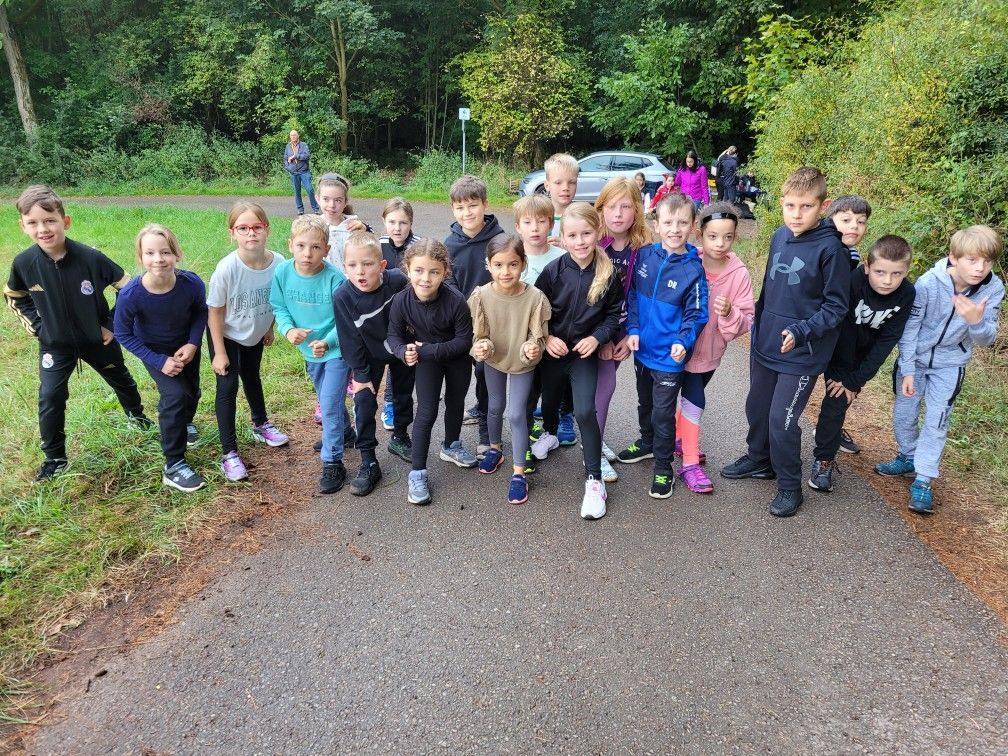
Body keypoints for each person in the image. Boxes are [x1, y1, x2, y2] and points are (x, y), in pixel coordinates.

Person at [720, 167, 850, 518]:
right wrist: (758, 327)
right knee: (757, 408)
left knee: (783, 419)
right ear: (781, 203)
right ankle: (760, 459)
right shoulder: (779, 235)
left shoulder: (831, 250)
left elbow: (836, 308)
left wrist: (802, 331)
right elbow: (770, 290)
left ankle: (790, 485)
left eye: (806, 206)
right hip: (766, 344)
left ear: (823, 207)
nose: (796, 214)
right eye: (790, 205)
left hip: (802, 352)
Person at [5, 185, 150, 482]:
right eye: (33, 223)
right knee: (50, 396)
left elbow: (129, 288)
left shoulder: (90, 258)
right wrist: (39, 328)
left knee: (121, 378)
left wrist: (111, 324)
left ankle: (137, 416)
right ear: (23, 226)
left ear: (65, 221)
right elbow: (14, 295)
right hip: (55, 345)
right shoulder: (24, 263)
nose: (43, 229)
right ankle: (55, 457)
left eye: (50, 220)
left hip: (97, 340)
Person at [876, 225, 1004, 514]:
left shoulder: (993, 289)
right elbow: (910, 328)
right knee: (904, 415)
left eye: (987, 261)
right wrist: (908, 369)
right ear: (954, 258)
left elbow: (986, 339)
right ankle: (908, 456)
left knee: (937, 420)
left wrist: (975, 321)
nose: (980, 268)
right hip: (916, 362)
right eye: (972, 260)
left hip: (951, 364)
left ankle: (923, 478)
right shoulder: (928, 283)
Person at [530, 203, 622, 520]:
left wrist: (597, 338)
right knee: (550, 399)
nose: (580, 241)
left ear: (598, 232)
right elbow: (535, 309)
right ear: (563, 237)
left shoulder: (608, 274)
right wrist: (546, 337)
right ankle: (550, 433)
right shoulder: (553, 270)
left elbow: (613, 315)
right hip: (554, 351)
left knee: (584, 410)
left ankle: (594, 481)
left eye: (586, 233)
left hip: (583, 354)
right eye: (572, 235)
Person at [808, 235, 914, 494]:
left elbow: (887, 341)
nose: (887, 280)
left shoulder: (907, 294)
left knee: (838, 401)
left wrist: (855, 380)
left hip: (863, 357)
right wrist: (842, 375)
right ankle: (823, 442)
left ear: (906, 271)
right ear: (867, 267)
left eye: (896, 274)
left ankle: (824, 455)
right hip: (833, 347)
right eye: (880, 272)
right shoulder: (853, 281)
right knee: (832, 395)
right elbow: (843, 328)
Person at [621, 193, 709, 499]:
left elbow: (697, 314)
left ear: (693, 226)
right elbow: (632, 295)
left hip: (670, 358)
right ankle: (647, 442)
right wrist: (633, 329)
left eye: (682, 222)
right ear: (656, 225)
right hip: (642, 350)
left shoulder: (693, 270)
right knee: (645, 403)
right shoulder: (644, 255)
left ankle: (663, 467)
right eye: (668, 222)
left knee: (662, 413)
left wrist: (683, 341)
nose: (675, 229)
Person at [114, 224, 208, 492]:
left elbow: (201, 312)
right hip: (154, 351)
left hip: (185, 346)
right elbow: (122, 333)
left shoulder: (191, 283)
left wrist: (193, 343)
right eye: (150, 253)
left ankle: (186, 423)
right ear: (140, 257)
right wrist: (159, 361)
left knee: (192, 391)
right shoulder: (132, 294)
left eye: (165, 252)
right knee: (174, 396)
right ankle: (174, 464)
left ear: (177, 254)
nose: (158, 259)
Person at [388, 239, 477, 506]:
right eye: (419, 270)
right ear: (407, 269)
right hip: (427, 361)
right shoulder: (401, 301)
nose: (425, 279)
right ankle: (417, 472)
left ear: (445, 272)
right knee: (426, 411)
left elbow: (464, 340)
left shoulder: (456, 300)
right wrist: (402, 351)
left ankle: (451, 445)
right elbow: (393, 335)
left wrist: (427, 350)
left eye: (434, 272)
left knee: (455, 402)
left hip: (455, 359)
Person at [674, 201, 754, 495]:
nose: (720, 243)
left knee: (690, 397)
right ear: (700, 234)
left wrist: (730, 313)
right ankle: (690, 464)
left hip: (710, 352)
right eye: (713, 236)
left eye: (728, 237)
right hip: (680, 348)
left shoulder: (739, 274)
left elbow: (746, 320)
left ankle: (680, 439)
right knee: (694, 399)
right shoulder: (686, 261)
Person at [206, 202, 288, 483]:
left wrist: (270, 328)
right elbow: (214, 312)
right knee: (228, 386)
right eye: (243, 228)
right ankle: (229, 453)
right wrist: (219, 352)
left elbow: (276, 299)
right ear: (233, 233)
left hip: (255, 331)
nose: (251, 233)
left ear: (267, 229)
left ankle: (260, 423)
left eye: (257, 227)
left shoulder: (278, 263)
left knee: (252, 376)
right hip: (226, 335)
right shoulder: (227, 269)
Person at [269, 215, 349, 494]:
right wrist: (288, 330)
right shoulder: (282, 273)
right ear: (290, 245)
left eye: (315, 247)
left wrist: (327, 341)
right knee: (327, 397)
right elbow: (279, 306)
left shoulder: (335, 280)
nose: (307, 253)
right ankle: (344, 431)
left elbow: (345, 320)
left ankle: (333, 461)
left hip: (337, 350)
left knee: (329, 404)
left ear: (326, 249)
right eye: (301, 246)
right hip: (309, 352)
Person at [333, 230, 416, 496]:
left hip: (400, 348)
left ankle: (400, 436)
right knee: (364, 402)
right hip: (368, 355)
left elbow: (413, 308)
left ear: (382, 265)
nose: (360, 271)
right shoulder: (343, 296)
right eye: (352, 265)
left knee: (403, 394)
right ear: (344, 267)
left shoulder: (397, 280)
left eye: (368, 264)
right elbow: (348, 338)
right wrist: (360, 373)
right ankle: (368, 459)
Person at [469, 235, 550, 505]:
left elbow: (538, 336)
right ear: (489, 265)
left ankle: (518, 473)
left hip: (522, 362)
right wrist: (482, 345)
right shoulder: (481, 296)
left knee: (516, 414)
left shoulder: (535, 297)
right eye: (499, 265)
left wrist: (532, 347)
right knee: (494, 406)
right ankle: (495, 448)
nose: (506, 272)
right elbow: (478, 334)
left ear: (523, 264)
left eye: (513, 264)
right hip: (494, 359)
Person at [593, 177, 656, 483]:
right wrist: (603, 338)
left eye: (626, 207)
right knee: (604, 386)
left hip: (629, 329)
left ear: (637, 211)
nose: (618, 214)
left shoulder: (646, 249)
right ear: (600, 209)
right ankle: (592, 451)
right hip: (598, 330)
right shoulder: (593, 244)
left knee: (605, 387)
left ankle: (593, 437)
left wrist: (632, 334)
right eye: (611, 206)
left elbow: (649, 297)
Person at [444, 174, 506, 457]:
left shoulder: (500, 240)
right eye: (460, 207)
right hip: (461, 324)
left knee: (486, 377)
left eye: (473, 205)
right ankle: (455, 437)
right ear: (453, 209)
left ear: (485, 204)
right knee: (460, 377)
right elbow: (448, 283)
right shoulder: (449, 245)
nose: (467, 213)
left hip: (493, 326)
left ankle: (486, 431)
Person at [513, 193, 566, 474]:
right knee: (525, 395)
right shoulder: (513, 258)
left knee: (552, 390)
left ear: (551, 224)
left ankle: (549, 432)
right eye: (527, 222)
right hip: (523, 341)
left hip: (554, 337)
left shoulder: (562, 257)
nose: (535, 228)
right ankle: (522, 447)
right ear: (518, 226)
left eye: (541, 221)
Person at [826, 195, 873, 454]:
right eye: (846, 220)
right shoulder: (827, 249)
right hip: (817, 331)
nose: (854, 226)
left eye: (861, 222)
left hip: (842, 334)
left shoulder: (853, 256)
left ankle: (831, 427)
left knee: (841, 385)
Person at [541, 152, 580, 445]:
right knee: (544, 360)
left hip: (572, 303)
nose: (565, 188)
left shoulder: (580, 215)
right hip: (542, 300)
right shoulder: (538, 215)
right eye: (558, 182)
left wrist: (568, 246)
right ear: (546, 184)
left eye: (571, 182)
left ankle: (567, 413)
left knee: (568, 360)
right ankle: (546, 407)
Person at [377, 197, 420, 432]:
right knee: (390, 358)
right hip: (384, 313)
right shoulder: (379, 244)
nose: (397, 228)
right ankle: (389, 403)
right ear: (384, 221)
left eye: (403, 223)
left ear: (411, 223)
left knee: (406, 359)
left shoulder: (418, 245)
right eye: (392, 222)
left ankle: (401, 401)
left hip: (411, 314)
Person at [317, 172, 369, 271]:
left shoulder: (354, 226)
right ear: (318, 199)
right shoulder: (314, 226)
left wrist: (366, 231)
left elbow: (370, 251)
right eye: (326, 199)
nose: (332, 205)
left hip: (350, 279)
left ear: (346, 202)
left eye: (338, 200)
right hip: (323, 278)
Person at [283, 130, 320, 215]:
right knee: (297, 191)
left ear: (298, 136)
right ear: (290, 137)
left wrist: (295, 156)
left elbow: (306, 156)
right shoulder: (288, 146)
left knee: (310, 189)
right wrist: (288, 168)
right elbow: (285, 158)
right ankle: (300, 209)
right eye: (291, 135)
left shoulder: (303, 145)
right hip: (293, 172)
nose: (293, 137)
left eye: (294, 135)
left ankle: (315, 208)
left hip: (304, 171)